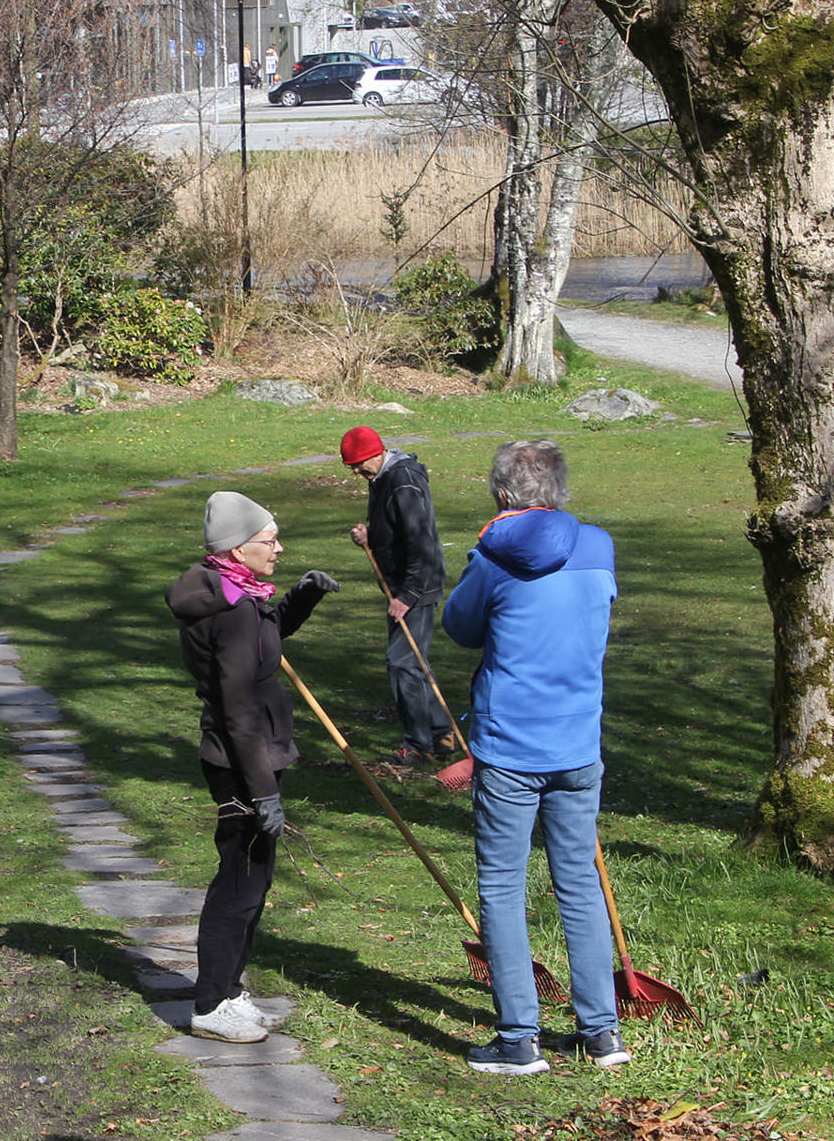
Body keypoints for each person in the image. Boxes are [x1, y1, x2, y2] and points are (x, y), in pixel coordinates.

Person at [443, 440, 629, 1075]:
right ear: (562, 492)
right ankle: (601, 1032)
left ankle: (519, 1038)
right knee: (578, 882)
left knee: (501, 885)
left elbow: (459, 628)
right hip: (579, 741)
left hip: (511, 746)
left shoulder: (492, 557)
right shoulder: (599, 547)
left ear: (502, 495)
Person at [167, 491, 339, 1043]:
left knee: (256, 877)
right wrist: (263, 791)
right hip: (243, 759)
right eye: (269, 540)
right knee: (239, 881)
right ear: (239, 549)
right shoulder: (232, 610)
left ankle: (230, 989)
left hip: (254, 754)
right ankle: (210, 1003)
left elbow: (267, 639)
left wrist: (303, 597)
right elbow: (238, 711)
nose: (279, 547)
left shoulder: (237, 593)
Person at [342, 425, 454, 765]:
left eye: (360, 464)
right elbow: (395, 528)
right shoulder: (382, 478)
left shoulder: (403, 482)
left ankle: (419, 743)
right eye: (352, 467)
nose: (357, 472)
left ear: (378, 453)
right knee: (413, 660)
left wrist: (407, 596)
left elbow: (421, 543)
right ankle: (441, 734)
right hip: (401, 585)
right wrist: (371, 535)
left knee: (403, 662)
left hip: (416, 586)